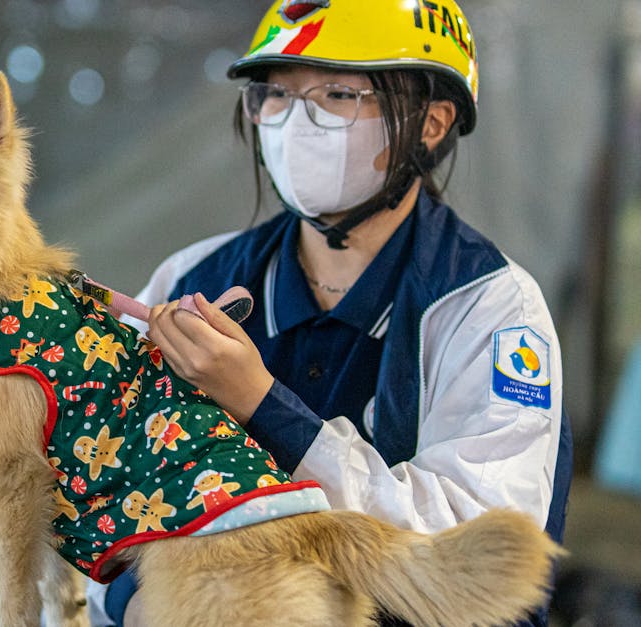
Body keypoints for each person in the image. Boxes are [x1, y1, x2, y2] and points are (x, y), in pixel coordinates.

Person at [89, 1, 573, 625]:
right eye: (276, 95)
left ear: (431, 122)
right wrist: (134, 600)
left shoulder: (491, 308)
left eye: (339, 93)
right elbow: (96, 487)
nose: (295, 124)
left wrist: (264, 406)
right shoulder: (193, 279)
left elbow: (478, 559)